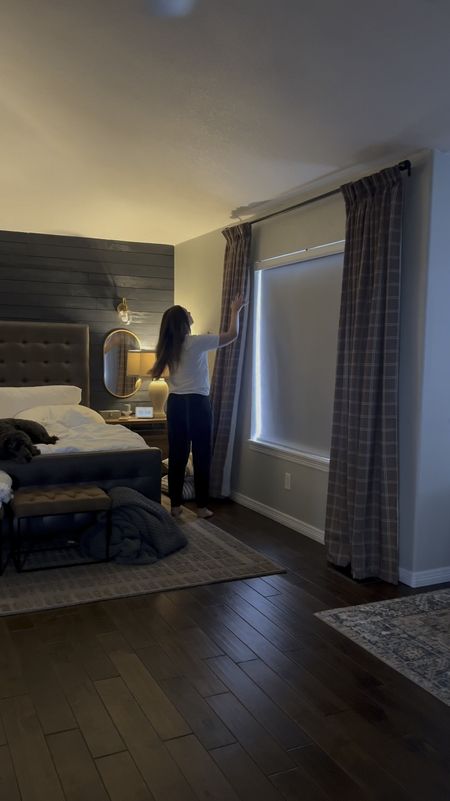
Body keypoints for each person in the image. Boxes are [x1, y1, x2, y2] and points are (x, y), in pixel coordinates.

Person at [152, 293, 246, 518]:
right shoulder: (195, 342)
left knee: (177, 455)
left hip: (175, 405)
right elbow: (232, 335)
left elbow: (166, 376)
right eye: (187, 312)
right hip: (197, 404)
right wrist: (235, 310)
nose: (191, 314)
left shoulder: (166, 348)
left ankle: (175, 507)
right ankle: (202, 508)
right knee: (202, 454)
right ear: (183, 322)